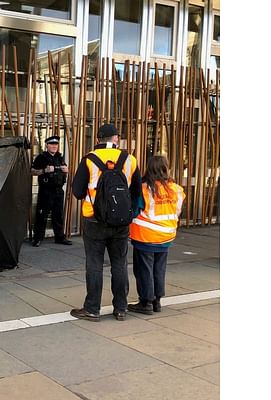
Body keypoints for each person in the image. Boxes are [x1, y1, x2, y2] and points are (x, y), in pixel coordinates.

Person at [69, 124, 141, 322]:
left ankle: (92, 309)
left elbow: (77, 191)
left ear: (98, 139)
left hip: (94, 220)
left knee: (94, 264)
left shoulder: (89, 160)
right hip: (121, 222)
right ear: (116, 138)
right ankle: (121, 308)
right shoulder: (130, 160)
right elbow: (136, 192)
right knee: (119, 263)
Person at [127, 155, 185, 315]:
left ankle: (146, 302)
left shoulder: (145, 189)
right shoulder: (176, 189)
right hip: (166, 236)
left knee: (144, 270)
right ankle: (157, 301)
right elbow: (178, 211)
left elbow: (135, 210)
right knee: (159, 269)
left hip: (145, 236)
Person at [30, 135, 72, 246]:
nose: (54, 146)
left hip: (58, 190)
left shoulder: (59, 157)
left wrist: (67, 170)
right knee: (42, 215)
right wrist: (44, 170)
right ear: (47, 145)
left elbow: (65, 170)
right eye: (52, 144)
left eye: (56, 144)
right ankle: (37, 238)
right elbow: (32, 171)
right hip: (46, 191)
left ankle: (59, 237)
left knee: (58, 215)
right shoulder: (41, 157)